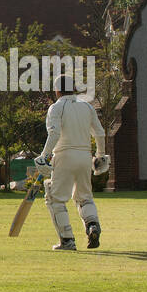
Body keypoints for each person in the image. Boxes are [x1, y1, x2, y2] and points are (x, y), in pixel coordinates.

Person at [38, 75, 107, 250]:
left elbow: (54, 134)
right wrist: (100, 155)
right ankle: (92, 225)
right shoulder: (87, 107)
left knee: (56, 199)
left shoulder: (56, 107)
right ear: (74, 89)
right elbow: (99, 133)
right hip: (85, 157)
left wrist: (44, 155)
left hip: (64, 155)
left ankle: (67, 240)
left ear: (57, 90)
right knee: (84, 198)